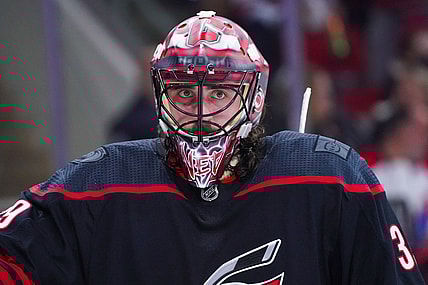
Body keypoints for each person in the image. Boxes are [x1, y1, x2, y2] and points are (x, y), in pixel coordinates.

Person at [0, 11, 425, 285]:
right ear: (160, 97)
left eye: (219, 94)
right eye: (184, 93)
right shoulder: (96, 184)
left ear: (254, 100)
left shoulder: (332, 179)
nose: (201, 111)